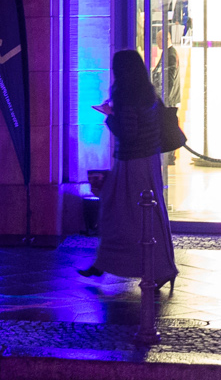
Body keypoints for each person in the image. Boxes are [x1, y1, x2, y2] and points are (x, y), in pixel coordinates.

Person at [82, 49, 178, 288]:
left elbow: (128, 133)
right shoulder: (148, 93)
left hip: (131, 162)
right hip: (148, 160)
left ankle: (109, 263)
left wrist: (109, 115)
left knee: (118, 214)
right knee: (147, 217)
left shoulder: (126, 95)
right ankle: (158, 267)